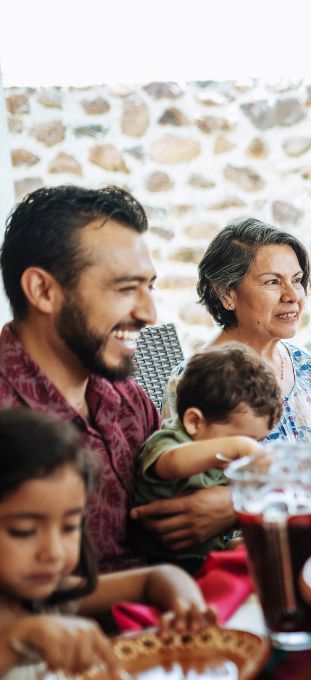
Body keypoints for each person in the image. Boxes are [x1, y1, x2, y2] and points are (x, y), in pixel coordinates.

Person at [0, 185, 225, 572]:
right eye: (125, 288)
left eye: (148, 286)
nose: (149, 313)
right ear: (43, 291)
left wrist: (228, 504)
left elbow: (182, 496)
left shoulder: (128, 399)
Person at [0, 409, 212, 680]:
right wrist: (20, 639)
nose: (54, 552)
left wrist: (186, 604)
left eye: (70, 526)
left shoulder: (51, 598)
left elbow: (158, 577)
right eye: (23, 531)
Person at [160, 219, 311, 451]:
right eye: (273, 282)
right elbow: (188, 482)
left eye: (296, 280)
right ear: (226, 293)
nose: (292, 295)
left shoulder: (304, 365)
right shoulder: (194, 382)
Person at [133, 344, 282, 574]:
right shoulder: (171, 441)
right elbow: (171, 464)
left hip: (206, 556)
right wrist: (237, 446)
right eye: (240, 438)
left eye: (257, 441)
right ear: (194, 422)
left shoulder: (223, 456)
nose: (247, 450)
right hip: (165, 568)